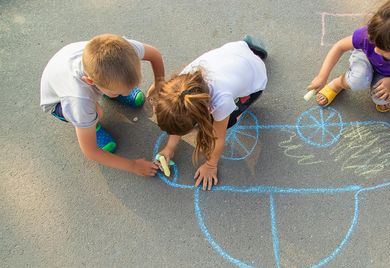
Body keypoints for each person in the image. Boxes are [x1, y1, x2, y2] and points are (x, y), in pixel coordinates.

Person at [40, 33, 165, 176]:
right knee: (96, 111)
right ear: (90, 82)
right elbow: (90, 151)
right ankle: (92, 125)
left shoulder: (124, 51)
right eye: (120, 91)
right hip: (57, 103)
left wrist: (158, 83)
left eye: (132, 86)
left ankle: (112, 93)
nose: (127, 93)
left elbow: (154, 54)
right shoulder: (79, 100)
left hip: (76, 67)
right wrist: (133, 166)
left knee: (116, 93)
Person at [155, 36, 267, 190]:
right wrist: (169, 148)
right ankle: (249, 47)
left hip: (256, 78)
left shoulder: (221, 101)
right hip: (234, 50)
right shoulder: (182, 86)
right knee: (241, 62)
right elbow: (178, 115)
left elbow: (218, 139)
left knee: (229, 121)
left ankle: (256, 55)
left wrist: (210, 165)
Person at [307, 0, 390, 112]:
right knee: (357, 80)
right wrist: (322, 76)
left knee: (380, 98)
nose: (376, 50)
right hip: (364, 58)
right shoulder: (373, 34)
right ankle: (337, 84)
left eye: (383, 49)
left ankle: (382, 84)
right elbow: (340, 46)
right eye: (375, 43)